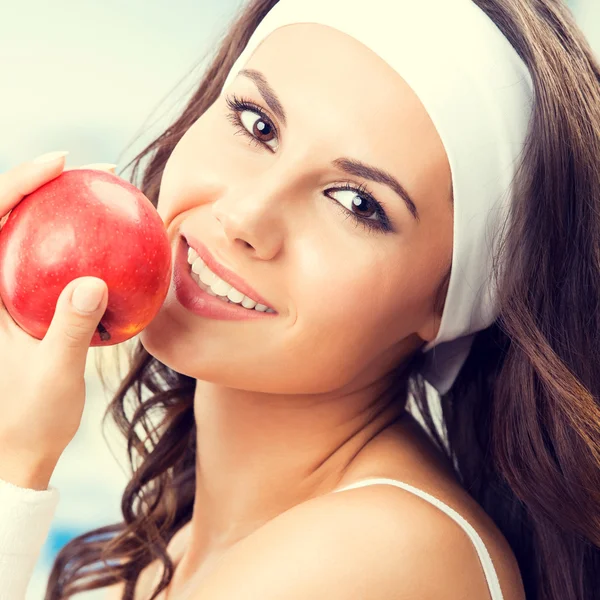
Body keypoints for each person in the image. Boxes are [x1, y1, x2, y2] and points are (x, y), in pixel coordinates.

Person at [1, 0, 599, 598]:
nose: (245, 215)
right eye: (258, 125)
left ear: (444, 304)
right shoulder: (174, 538)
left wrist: (14, 469)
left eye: (357, 203)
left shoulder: (379, 555)